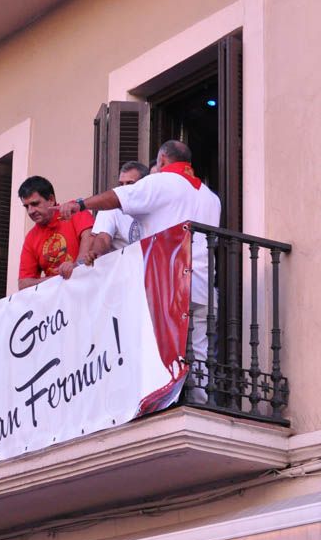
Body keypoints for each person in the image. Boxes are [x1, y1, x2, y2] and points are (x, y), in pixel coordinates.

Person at [58, 139, 221, 402]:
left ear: (163, 161)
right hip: (203, 285)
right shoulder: (210, 198)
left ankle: (160, 404)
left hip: (171, 283)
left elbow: (117, 197)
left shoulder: (161, 182)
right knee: (200, 351)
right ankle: (201, 402)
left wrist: (80, 204)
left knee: (159, 350)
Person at [17, 175, 94, 289]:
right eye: (26, 206)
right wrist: (59, 278)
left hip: (89, 287)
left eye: (35, 204)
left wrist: (75, 267)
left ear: (51, 200)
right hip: (57, 300)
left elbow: (91, 239)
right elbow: (23, 284)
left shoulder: (73, 210)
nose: (30, 211)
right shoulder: (31, 238)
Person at [85, 161, 149, 262]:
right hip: (122, 271)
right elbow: (103, 238)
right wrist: (97, 252)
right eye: (121, 184)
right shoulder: (111, 207)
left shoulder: (154, 204)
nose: (123, 188)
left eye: (130, 183)